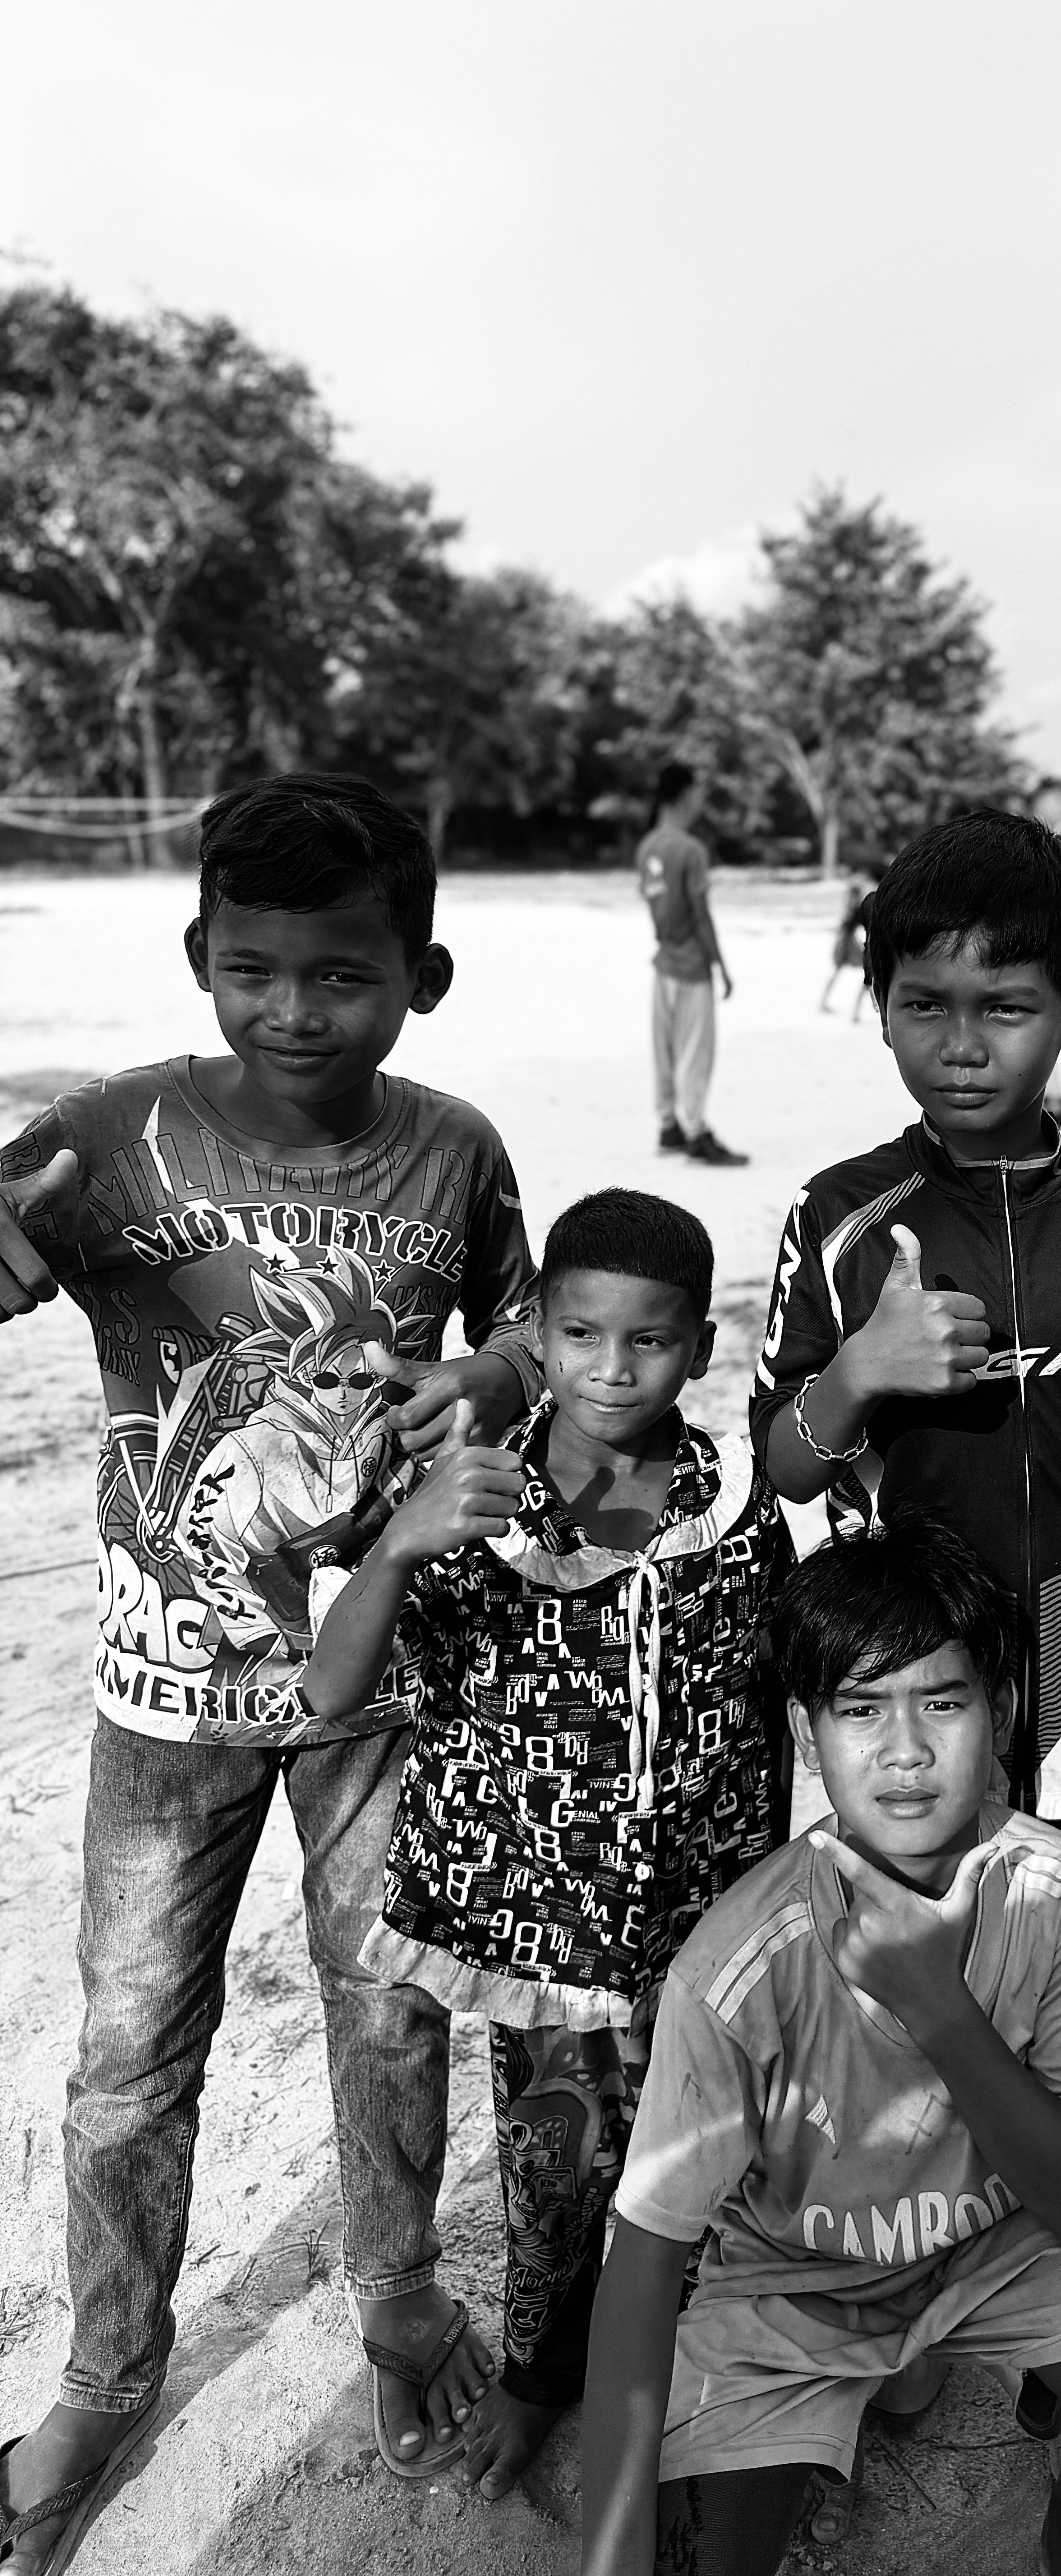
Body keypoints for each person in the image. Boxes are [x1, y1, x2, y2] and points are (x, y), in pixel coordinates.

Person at [0, 774, 545, 2568]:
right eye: (252, 971)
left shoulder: (453, 1150)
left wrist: (484, 1381)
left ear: (423, 975)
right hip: (166, 1696)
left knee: (387, 2006)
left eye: (342, 976)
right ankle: (107, 2361)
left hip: (375, 1678)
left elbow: (530, 1325)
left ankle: (396, 2302)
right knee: (131, 2053)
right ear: (198, 959)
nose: (293, 1013)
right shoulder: (108, 1141)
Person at [578, 1516, 1061, 2576]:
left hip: (1000, 2256)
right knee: (717, 2555)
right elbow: (643, 2263)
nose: (906, 1752)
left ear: (1003, 1713)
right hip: (790, 2289)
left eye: (944, 1702)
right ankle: (857, 2395)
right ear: (803, 1729)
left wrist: (941, 2010)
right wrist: (610, 2557)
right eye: (861, 1710)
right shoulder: (739, 1963)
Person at [302, 1186, 793, 2501]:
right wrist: (402, 1544)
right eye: (581, 1334)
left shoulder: (737, 1499)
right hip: (542, 1927)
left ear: (701, 1341)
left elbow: (769, 1696)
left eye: (650, 1340)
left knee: (702, 2148)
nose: (613, 1368)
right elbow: (331, 1690)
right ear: (537, 1328)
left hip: (703, 1911)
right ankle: (536, 2372)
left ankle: (679, 2363)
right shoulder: (470, 1498)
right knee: (555, 2159)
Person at [751, 808, 1061, 2238]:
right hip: (922, 1678)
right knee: (917, 1968)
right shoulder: (839, 1215)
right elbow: (784, 1466)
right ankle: (916, 2253)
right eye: (924, 1004)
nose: (963, 1041)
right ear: (879, 1013)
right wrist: (860, 1372)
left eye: (1007, 1006)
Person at [637, 759, 746, 1167]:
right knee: (695, 1052)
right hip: (691, 967)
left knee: (664, 1051)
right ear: (683, 794)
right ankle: (697, 1131)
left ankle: (669, 1126)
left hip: (663, 963)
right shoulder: (690, 850)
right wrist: (720, 966)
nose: (702, 798)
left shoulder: (648, 846)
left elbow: (657, 909)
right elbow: (701, 916)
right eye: (698, 790)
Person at [819, 873, 874, 1019]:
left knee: (841, 970)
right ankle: (858, 1010)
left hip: (846, 939)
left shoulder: (852, 907)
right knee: (867, 970)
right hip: (847, 940)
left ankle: (825, 1003)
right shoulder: (853, 907)